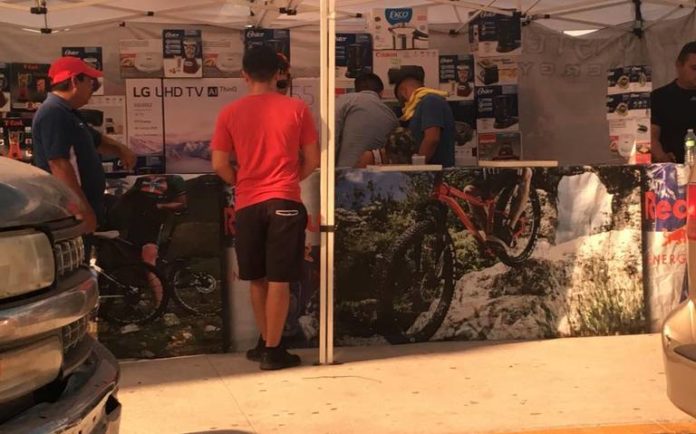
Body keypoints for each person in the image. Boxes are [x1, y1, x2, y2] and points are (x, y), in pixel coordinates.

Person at [211, 45, 319, 370]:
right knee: (279, 280)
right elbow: (312, 159)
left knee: (256, 278)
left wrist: (243, 183)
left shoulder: (229, 113)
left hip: (248, 202)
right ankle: (274, 350)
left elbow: (219, 164)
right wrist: (288, 181)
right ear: (278, 73)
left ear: (244, 75)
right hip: (284, 200)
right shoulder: (297, 108)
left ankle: (264, 343)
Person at [32, 56, 136, 242]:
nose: (92, 88)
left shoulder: (69, 112)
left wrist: (121, 149)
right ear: (74, 81)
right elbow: (59, 164)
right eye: (90, 81)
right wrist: (82, 210)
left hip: (83, 208)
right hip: (71, 213)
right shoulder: (53, 112)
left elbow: (95, 140)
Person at [335, 73, 399, 167]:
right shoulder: (391, 116)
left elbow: (330, 136)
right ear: (381, 92)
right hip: (373, 173)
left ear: (356, 89)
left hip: (341, 171)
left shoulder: (344, 100)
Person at [393, 74, 456, 167]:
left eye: (402, 100)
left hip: (435, 171)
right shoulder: (424, 104)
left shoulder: (430, 100)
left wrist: (417, 167)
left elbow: (432, 139)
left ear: (404, 91)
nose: (404, 105)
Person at [651, 41, 696, 163]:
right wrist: (661, 157)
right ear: (679, 65)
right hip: (674, 168)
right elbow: (652, 135)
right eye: (694, 68)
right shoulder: (660, 97)